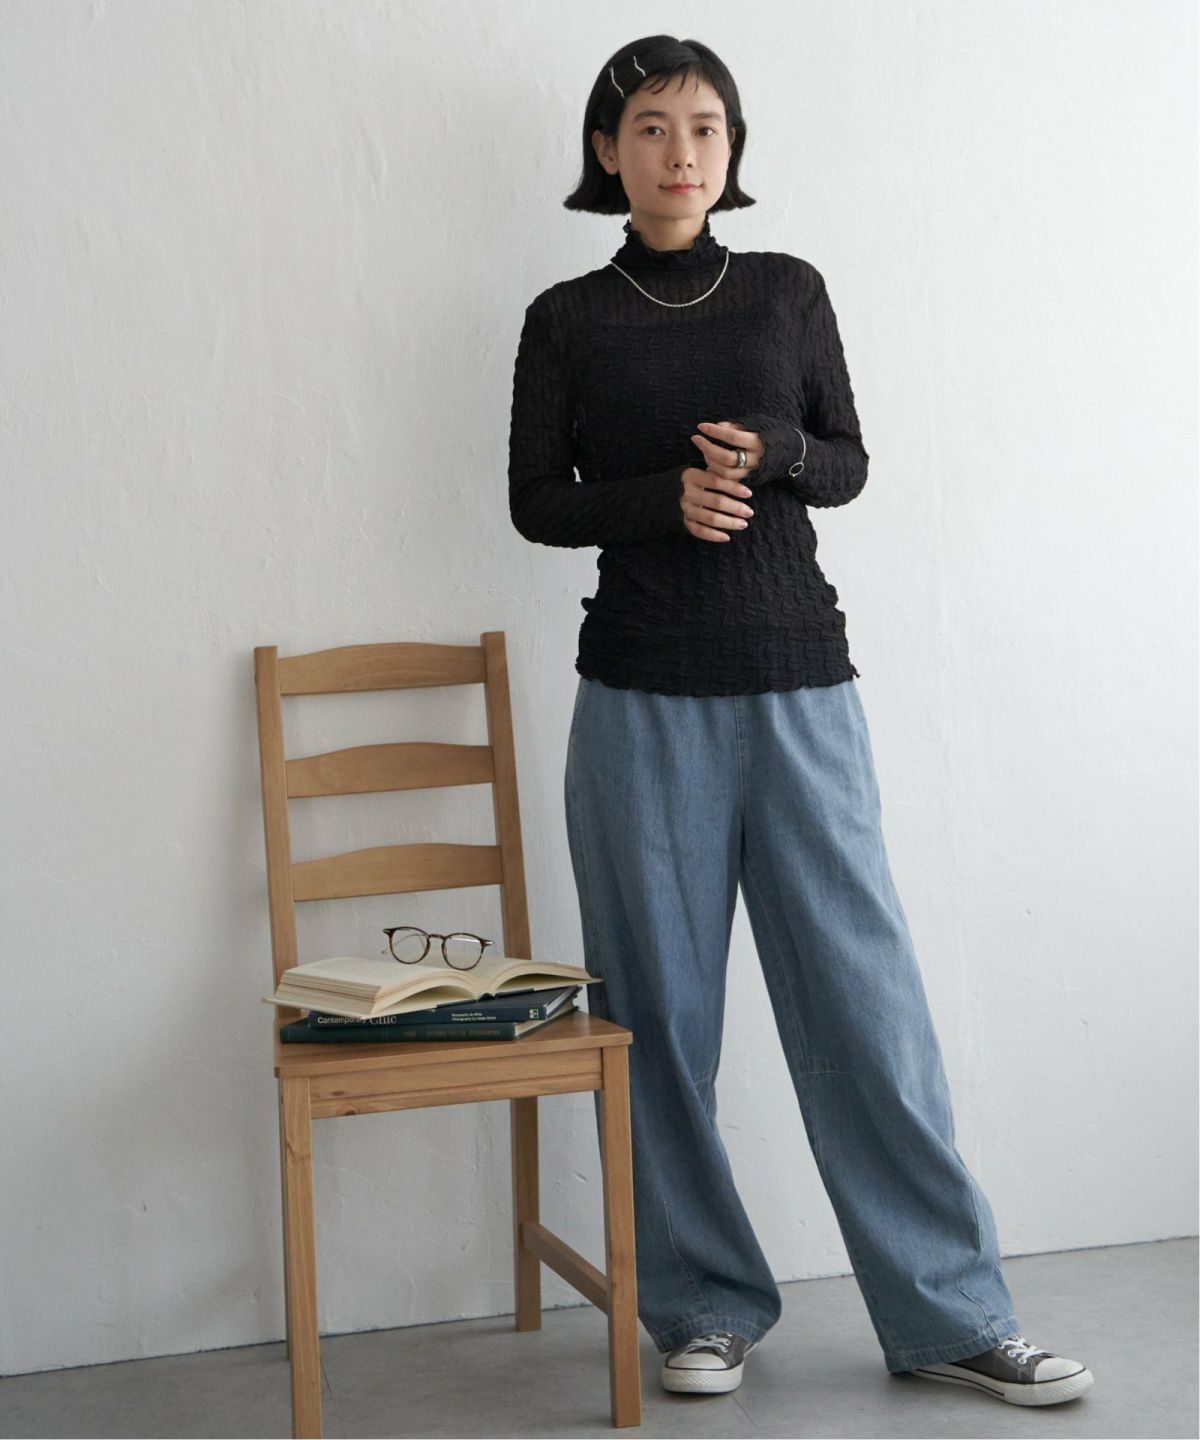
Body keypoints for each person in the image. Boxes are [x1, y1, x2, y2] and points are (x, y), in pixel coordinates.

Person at [507, 34, 1094, 1410]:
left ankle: (953, 1314)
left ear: (733, 147)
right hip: (639, 697)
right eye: (652, 128)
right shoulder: (566, 317)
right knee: (656, 1021)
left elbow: (848, 461)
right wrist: (664, 499)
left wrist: (774, 455)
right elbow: (538, 501)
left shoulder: (785, 289)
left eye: (706, 126)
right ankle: (700, 1309)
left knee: (866, 1007)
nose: (682, 152)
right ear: (606, 151)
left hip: (799, 686)